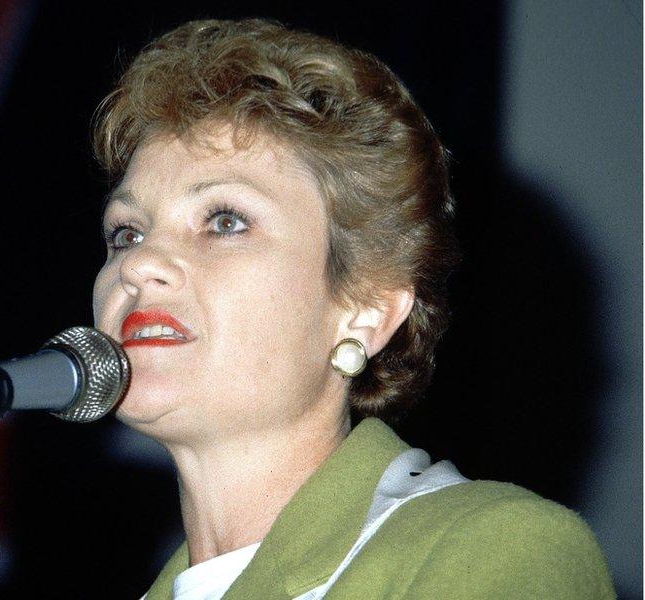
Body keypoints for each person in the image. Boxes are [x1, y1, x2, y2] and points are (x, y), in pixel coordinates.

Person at [90, 18, 614, 599]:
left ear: (364, 311)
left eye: (225, 221)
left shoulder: (497, 550)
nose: (139, 265)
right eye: (127, 233)